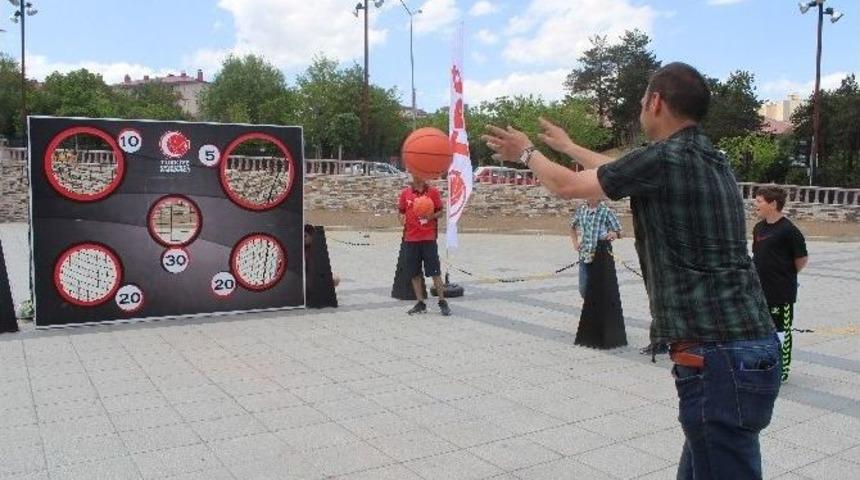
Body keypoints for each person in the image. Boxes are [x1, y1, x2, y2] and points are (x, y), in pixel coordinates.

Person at [482, 62, 780, 480]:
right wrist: (568, 147)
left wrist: (527, 153)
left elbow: (569, 186)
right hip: (749, 347)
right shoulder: (711, 159)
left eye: (643, 100)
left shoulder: (664, 160)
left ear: (655, 102)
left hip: (717, 358)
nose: (642, 107)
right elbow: (618, 169)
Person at [752, 186, 808, 382]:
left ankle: (780, 370)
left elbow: (801, 260)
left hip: (781, 293)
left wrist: (784, 276)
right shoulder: (758, 228)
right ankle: (764, 363)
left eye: (759, 201)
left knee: (781, 332)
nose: (755, 204)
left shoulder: (789, 230)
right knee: (761, 330)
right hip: (759, 292)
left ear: (773, 204)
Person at [398, 176, 451, 316]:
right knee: (414, 273)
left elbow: (440, 212)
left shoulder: (433, 192)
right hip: (411, 239)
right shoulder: (405, 193)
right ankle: (420, 302)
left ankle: (442, 301)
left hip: (428, 238)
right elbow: (401, 212)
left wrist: (431, 216)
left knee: (435, 272)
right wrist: (402, 220)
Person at [570, 198, 622, 298]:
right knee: (583, 288)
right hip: (584, 255)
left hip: (602, 255)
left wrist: (615, 233)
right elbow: (572, 226)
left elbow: (620, 232)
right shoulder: (581, 210)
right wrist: (575, 242)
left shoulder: (606, 211)